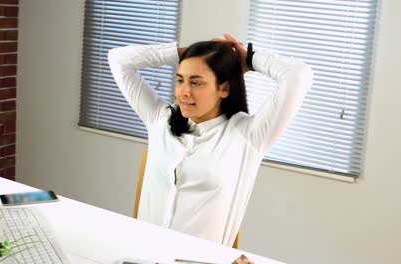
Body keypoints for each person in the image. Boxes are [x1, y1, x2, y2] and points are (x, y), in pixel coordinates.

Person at [108, 34, 313, 246]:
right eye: (180, 80)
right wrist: (186, 52)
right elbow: (118, 59)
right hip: (141, 255)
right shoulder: (160, 119)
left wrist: (249, 58)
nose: (184, 92)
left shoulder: (248, 136)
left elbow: (298, 75)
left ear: (224, 88)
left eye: (196, 82)